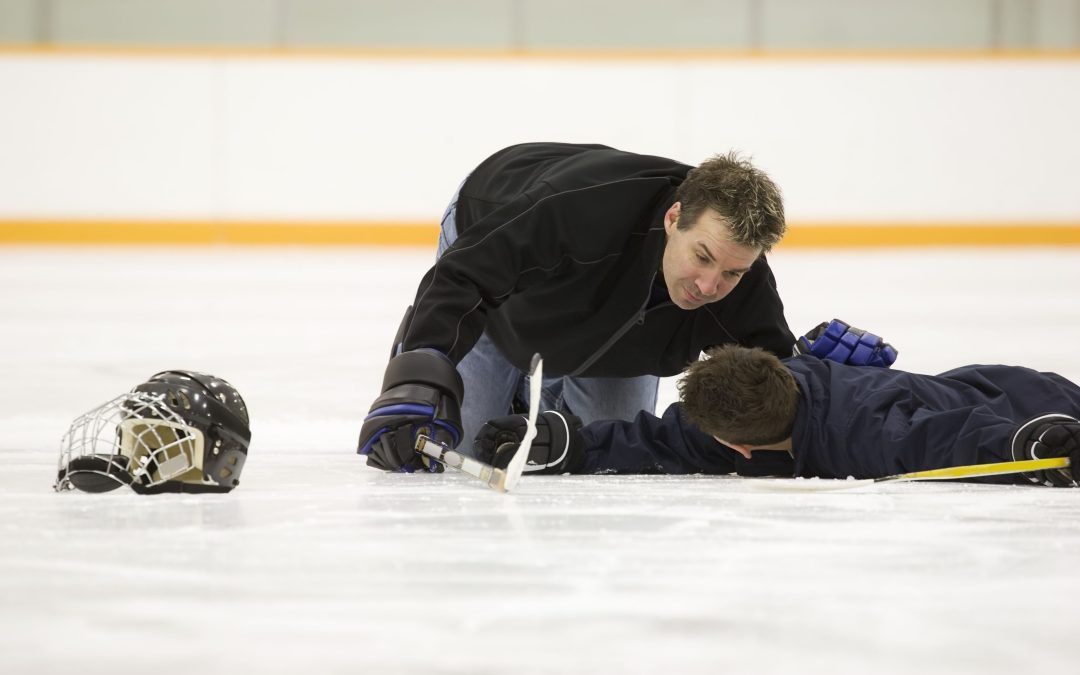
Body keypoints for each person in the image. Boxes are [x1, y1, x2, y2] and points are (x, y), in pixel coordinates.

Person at [358, 142, 892, 472]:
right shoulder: (576, 214)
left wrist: (828, 383)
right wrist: (421, 372)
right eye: (702, 257)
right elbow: (464, 278)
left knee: (596, 448)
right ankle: (517, 388)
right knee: (463, 445)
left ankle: (544, 400)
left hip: (607, 322)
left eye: (732, 271)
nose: (710, 285)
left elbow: (770, 389)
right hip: (496, 237)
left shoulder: (742, 285)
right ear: (673, 217)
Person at [474, 345, 1080, 487]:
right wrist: (564, 444)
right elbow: (651, 438)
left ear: (737, 449)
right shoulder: (758, 399)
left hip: (1034, 401)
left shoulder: (868, 439)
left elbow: (956, 438)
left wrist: (1040, 444)